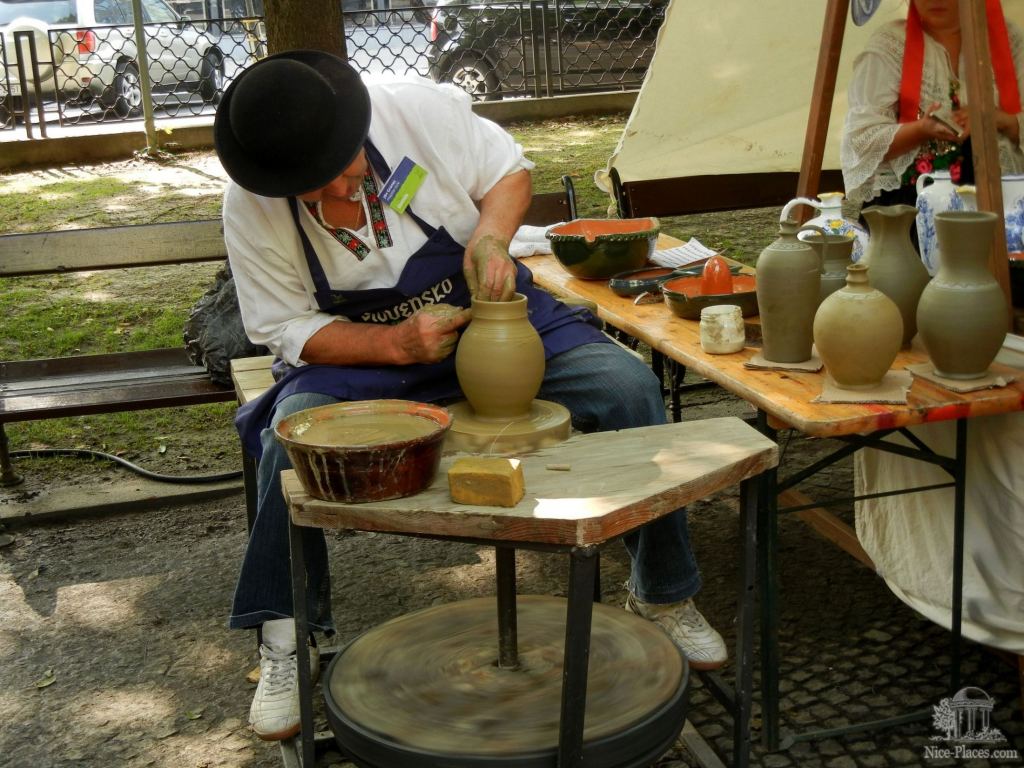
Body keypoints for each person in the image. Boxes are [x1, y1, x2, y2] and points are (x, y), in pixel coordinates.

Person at [213, 50, 727, 742]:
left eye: (344, 169)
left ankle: (663, 593)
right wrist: (394, 344)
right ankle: (287, 640)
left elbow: (508, 170)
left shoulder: (415, 110)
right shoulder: (250, 205)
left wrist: (489, 240)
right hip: (367, 354)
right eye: (314, 190)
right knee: (293, 440)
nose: (337, 189)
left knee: (627, 387)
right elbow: (284, 327)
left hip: (485, 310)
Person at [841, 0, 1024, 212]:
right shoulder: (891, 44)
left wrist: (999, 119)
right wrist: (921, 129)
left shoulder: (1008, 40)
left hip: (1003, 203)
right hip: (911, 206)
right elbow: (861, 140)